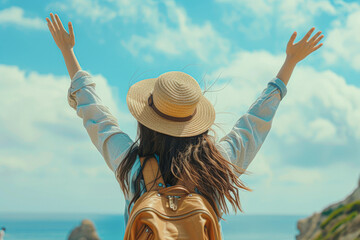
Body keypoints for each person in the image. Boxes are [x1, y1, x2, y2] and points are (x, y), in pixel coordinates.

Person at [46, 13, 324, 238]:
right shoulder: (218, 165)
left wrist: (68, 53)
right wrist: (289, 64)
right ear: (195, 121)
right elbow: (254, 122)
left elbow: (97, 118)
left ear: (147, 120)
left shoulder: (132, 165)